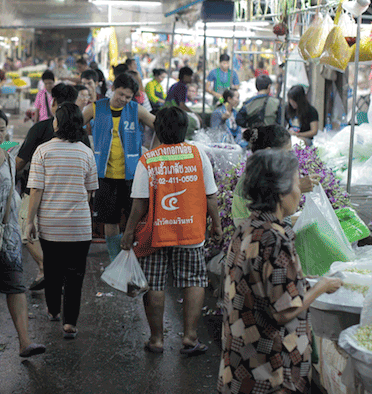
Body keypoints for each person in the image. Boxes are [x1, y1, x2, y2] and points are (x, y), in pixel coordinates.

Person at [218, 149, 342, 394]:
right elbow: (284, 312)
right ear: (280, 192)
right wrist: (322, 287)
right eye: (296, 184)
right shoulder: (275, 239)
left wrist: (303, 279)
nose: (299, 193)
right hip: (270, 372)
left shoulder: (248, 227)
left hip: (240, 364)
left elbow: (262, 282)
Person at [120, 107, 222, 356]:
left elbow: (140, 202)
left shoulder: (149, 160)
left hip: (156, 233)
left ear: (158, 130)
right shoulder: (197, 154)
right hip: (190, 231)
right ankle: (190, 337)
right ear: (184, 128)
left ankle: (156, 340)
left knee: (154, 283)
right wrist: (216, 225)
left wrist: (129, 232)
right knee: (193, 280)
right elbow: (211, 196)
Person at [0, 109, 46, 358]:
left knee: (15, 285)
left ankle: (25, 341)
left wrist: (25, 223)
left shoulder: (9, 157)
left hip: (7, 233)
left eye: (2, 130)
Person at [26, 103, 98, 339]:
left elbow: (36, 190)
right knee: (75, 274)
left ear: (58, 123)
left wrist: (30, 221)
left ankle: (54, 310)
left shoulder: (43, 151)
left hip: (51, 223)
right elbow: (90, 191)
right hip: (79, 225)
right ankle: (70, 323)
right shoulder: (86, 152)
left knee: (52, 268)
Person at [16, 84, 90, 290]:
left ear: (53, 102)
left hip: (36, 193)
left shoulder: (40, 128)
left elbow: (20, 163)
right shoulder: (82, 134)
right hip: (70, 199)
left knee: (25, 229)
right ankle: (51, 271)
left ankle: (46, 267)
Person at [83, 73, 157, 260]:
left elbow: (160, 126)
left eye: (128, 97)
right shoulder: (94, 108)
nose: (123, 99)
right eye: (121, 94)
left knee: (135, 217)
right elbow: (73, 126)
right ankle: (115, 260)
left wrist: (153, 151)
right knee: (109, 220)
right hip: (104, 175)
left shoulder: (137, 110)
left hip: (132, 175)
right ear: (113, 89)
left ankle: (135, 258)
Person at [230, 125, 319, 227]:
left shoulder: (261, 173)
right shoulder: (257, 179)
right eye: (287, 153)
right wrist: (295, 188)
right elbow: (268, 218)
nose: (288, 157)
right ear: (269, 152)